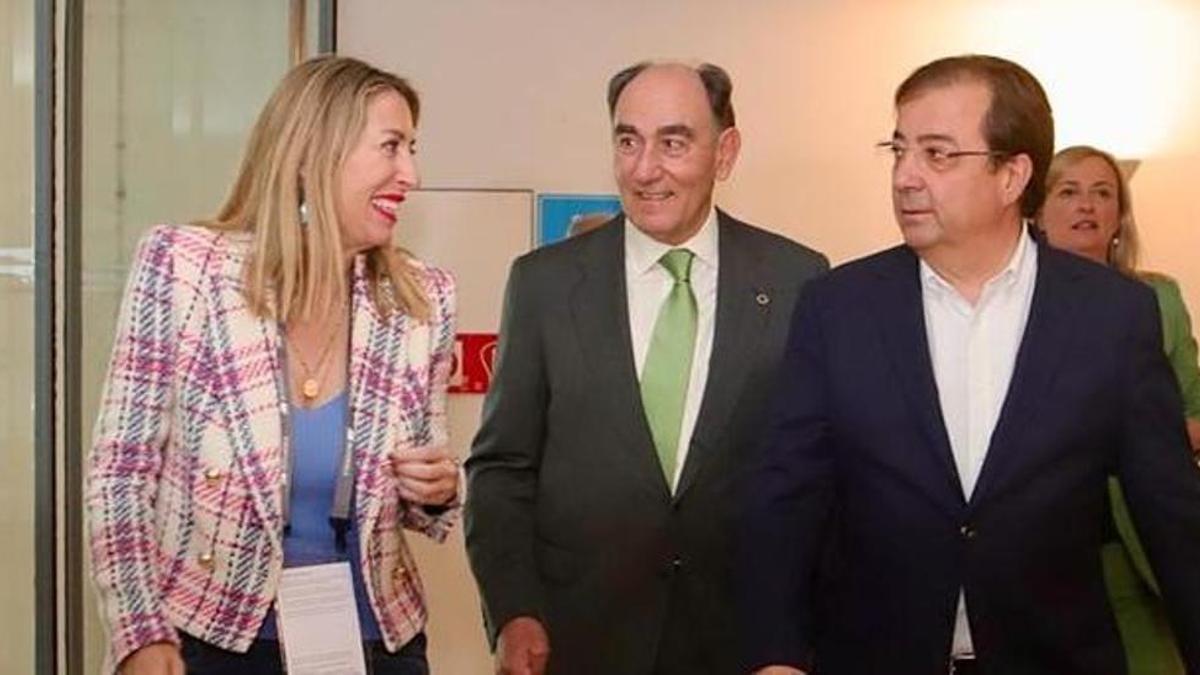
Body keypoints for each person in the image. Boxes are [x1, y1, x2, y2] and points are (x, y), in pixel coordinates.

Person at [738, 55, 1200, 675]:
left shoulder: (1113, 317)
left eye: (938, 154)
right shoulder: (838, 308)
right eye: (898, 150)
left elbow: (1171, 513)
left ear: (1012, 175)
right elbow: (788, 495)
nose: (905, 177)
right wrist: (776, 655)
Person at [87, 55, 460, 675]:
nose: (410, 174)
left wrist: (439, 489)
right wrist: (138, 632)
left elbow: (428, 480)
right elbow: (120, 472)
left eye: (412, 149)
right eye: (391, 147)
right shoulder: (185, 270)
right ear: (316, 151)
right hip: (209, 640)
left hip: (374, 643)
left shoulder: (423, 299)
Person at [465, 61, 827, 675]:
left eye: (674, 142)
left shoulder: (799, 281)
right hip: (578, 641)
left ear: (726, 152)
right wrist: (514, 609)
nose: (644, 169)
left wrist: (790, 642)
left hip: (741, 643)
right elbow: (502, 468)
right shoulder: (545, 284)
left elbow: (817, 484)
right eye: (627, 140)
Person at [1038, 144, 1200, 674]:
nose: (1087, 205)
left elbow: (1193, 410)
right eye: (1069, 192)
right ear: (1037, 211)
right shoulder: (1009, 307)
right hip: (1044, 548)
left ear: (1118, 217)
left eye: (1102, 193)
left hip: (1136, 542)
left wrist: (1139, 438)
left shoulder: (1159, 299)